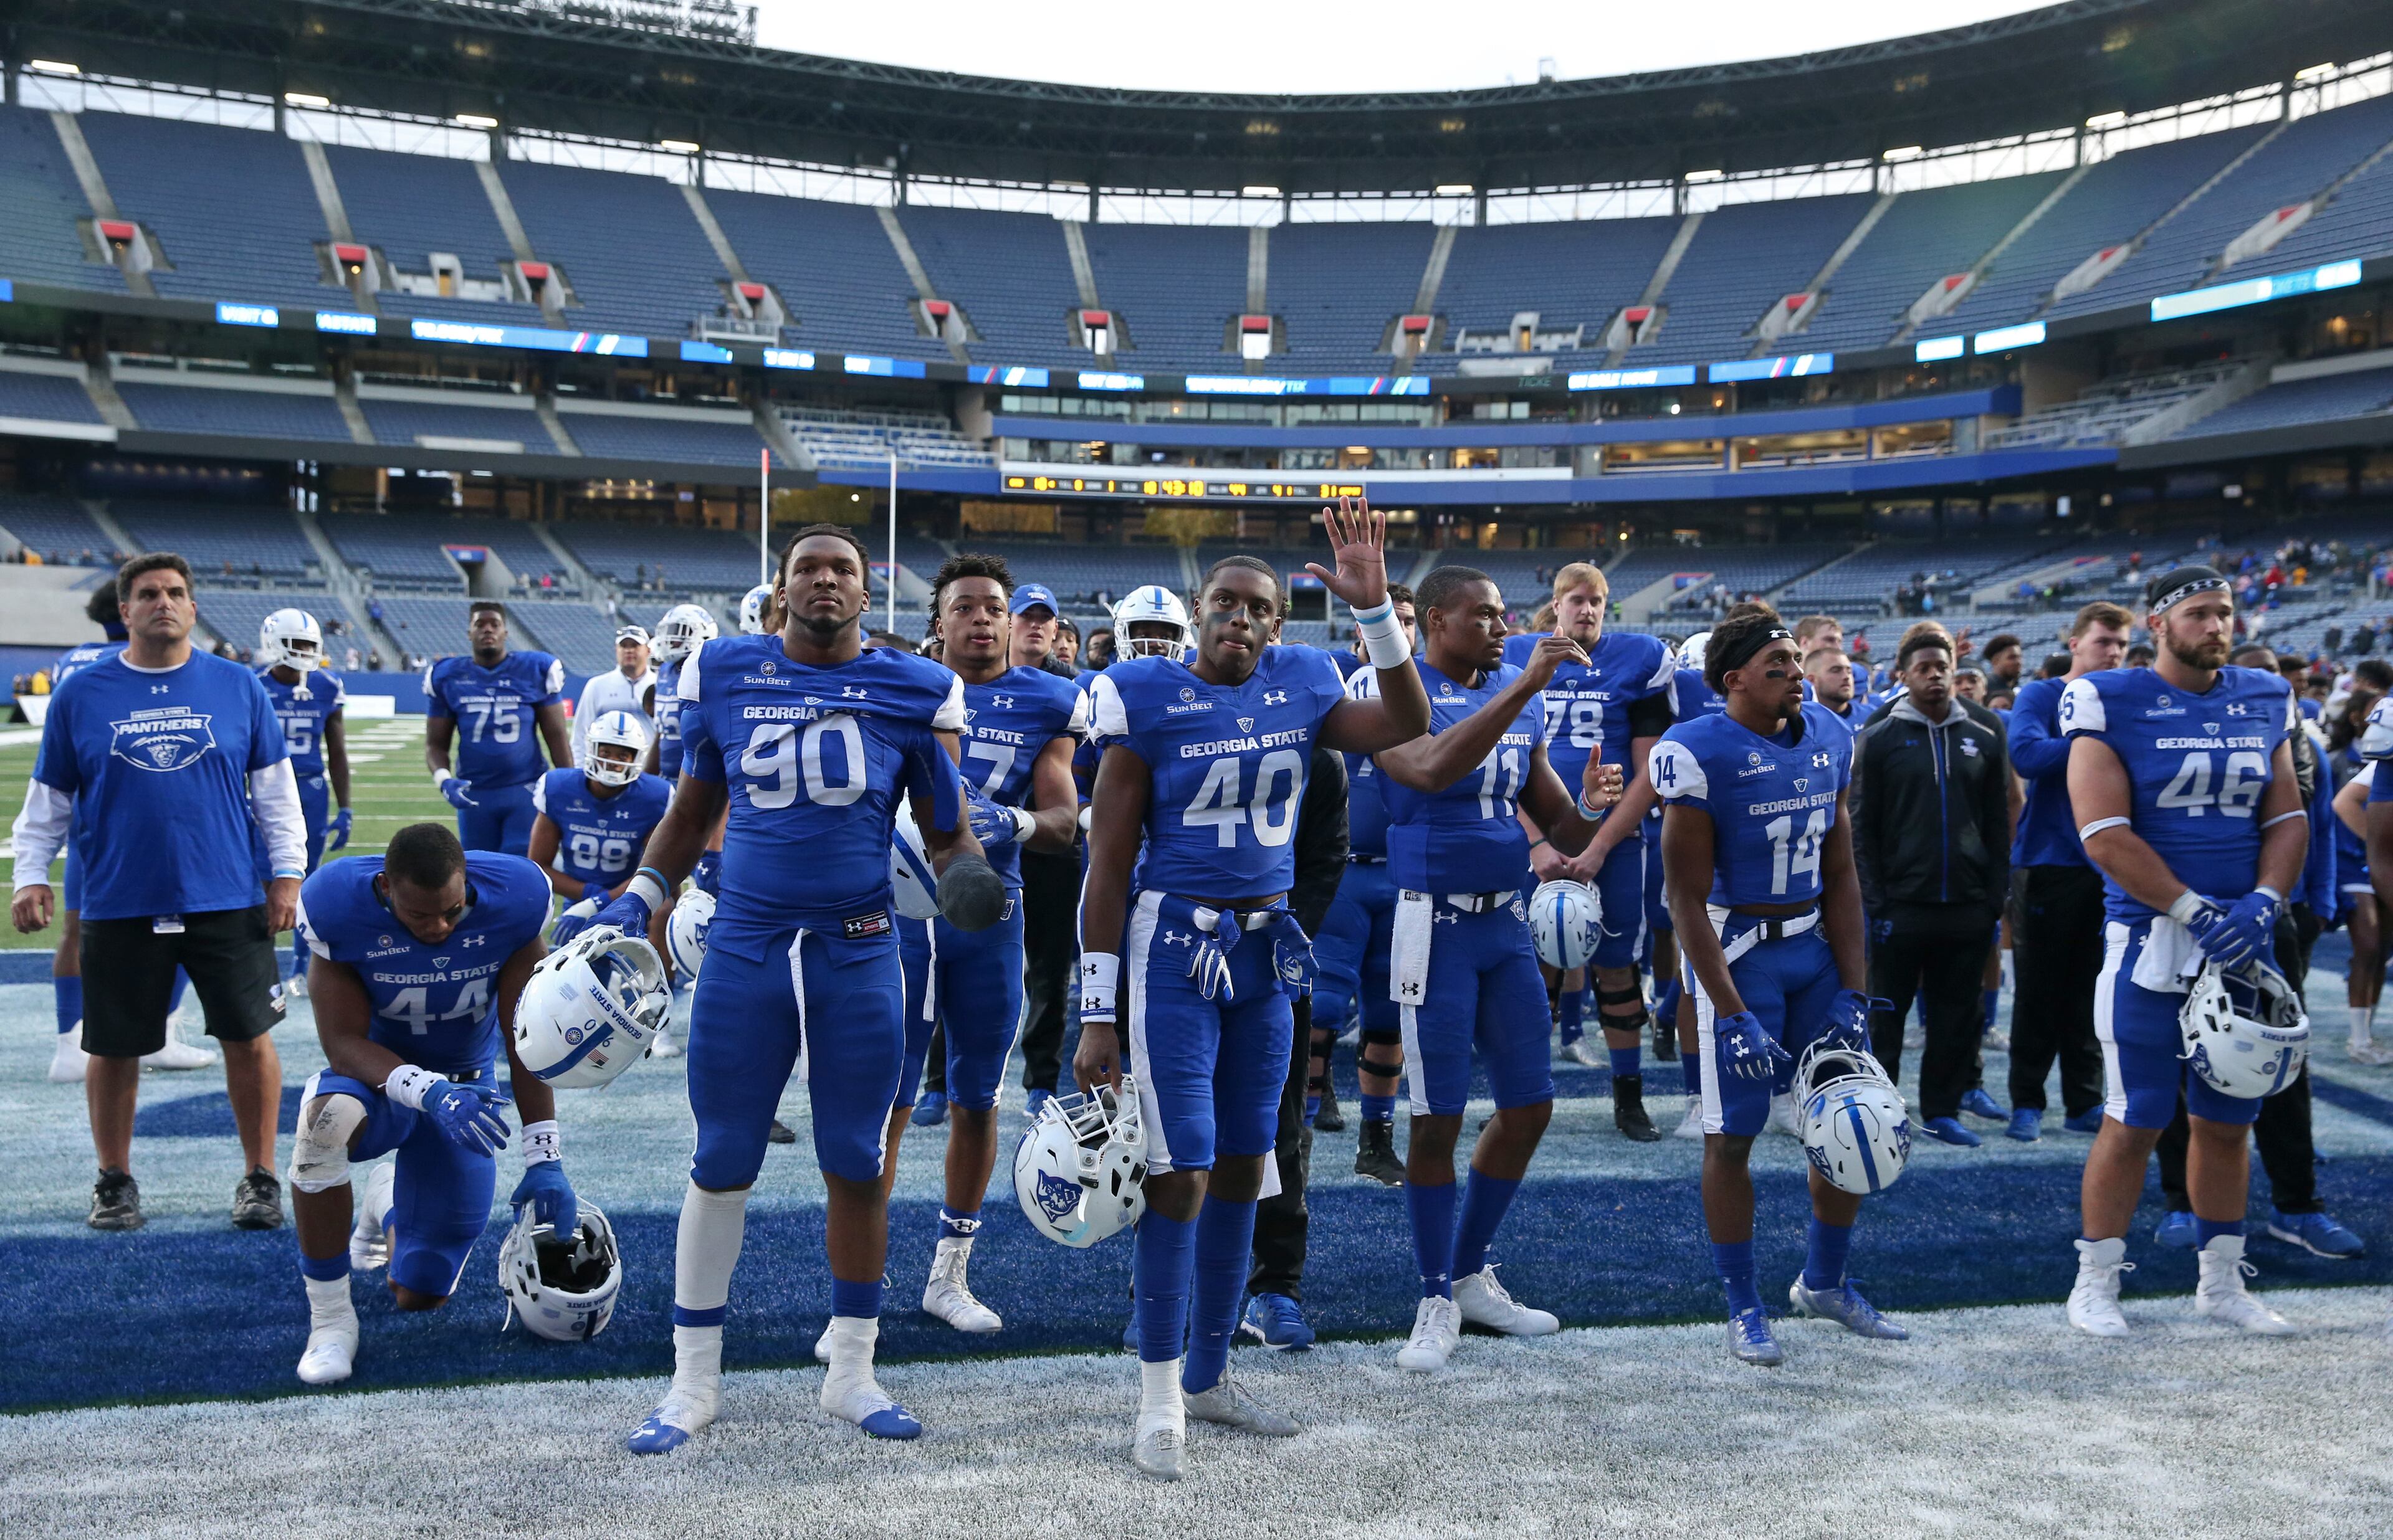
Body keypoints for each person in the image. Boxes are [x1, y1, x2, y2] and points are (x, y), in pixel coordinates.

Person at [608, 524, 998, 1455]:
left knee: (857, 1158)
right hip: (747, 942)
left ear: (868, 594)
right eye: (807, 570)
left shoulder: (913, 685)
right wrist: (641, 898)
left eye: (844, 570)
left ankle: (853, 1374)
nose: (825, 581)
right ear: (781, 592)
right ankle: (692, 1382)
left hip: (860, 946)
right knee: (723, 1154)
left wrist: (971, 874)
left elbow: (946, 830)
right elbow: (691, 810)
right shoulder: (727, 672)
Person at [1077, 500, 1427, 1481]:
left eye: (1259, 607)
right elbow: (1108, 868)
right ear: (1198, 609)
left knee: (1245, 1165)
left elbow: (1405, 720)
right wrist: (1097, 1014)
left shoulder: (1306, 680)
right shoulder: (1141, 693)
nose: (1240, 618)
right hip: (1171, 949)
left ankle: (1208, 1375)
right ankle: (1157, 1401)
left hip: (1266, 956)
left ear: (1279, 622)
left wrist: (1374, 615)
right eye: (1224, 602)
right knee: (1178, 1171)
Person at [1365, 564, 1625, 1374]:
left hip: (1505, 925)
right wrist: (1518, 692)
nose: (1501, 626)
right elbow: (1433, 770)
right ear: (1434, 622)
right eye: (1481, 616)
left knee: (1531, 1106)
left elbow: (1561, 825)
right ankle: (1434, 1293)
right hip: (1429, 929)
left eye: (1503, 614)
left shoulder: (1519, 691)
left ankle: (1470, 1272)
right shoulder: (1396, 696)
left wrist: (1589, 800)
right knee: (1437, 1117)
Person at [11, 553, 308, 1232]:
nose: (163, 603)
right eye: (148, 594)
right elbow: (48, 801)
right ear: (126, 611)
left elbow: (275, 794)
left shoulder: (237, 687)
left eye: (176, 592)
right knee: (112, 1047)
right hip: (120, 897)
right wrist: (30, 875)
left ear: (194, 608)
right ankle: (114, 1180)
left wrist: (287, 875)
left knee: (250, 1039)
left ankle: (260, 1176)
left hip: (226, 894)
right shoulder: (81, 695)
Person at [2061, 566, 2305, 1338]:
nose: (2217, 627)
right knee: (2136, 1116)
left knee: (2230, 1118)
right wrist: (2195, 909)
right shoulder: (2110, 698)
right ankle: (2095, 1281)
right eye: (2200, 614)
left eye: (2226, 614)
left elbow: (2288, 815)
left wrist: (2265, 901)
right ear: (2158, 623)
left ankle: (2221, 1282)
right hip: (2150, 939)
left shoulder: (2266, 696)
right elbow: (2102, 833)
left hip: (2243, 938)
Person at [1654, 604, 1898, 1366]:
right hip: (1740, 951)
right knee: (1734, 1136)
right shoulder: (1695, 750)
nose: (1797, 675)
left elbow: (1841, 871)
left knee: (1849, 1115)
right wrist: (1727, 1012)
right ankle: (1743, 1302)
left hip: (1813, 948)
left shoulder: (1829, 735)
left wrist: (1855, 990)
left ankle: (1823, 1282)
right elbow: (1685, 898)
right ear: (1734, 682)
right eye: (1778, 667)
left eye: (1797, 661)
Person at [876, 553, 1085, 1341]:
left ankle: (948, 1275)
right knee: (888, 1098)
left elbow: (1066, 821)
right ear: (941, 622)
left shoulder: (1050, 699)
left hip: (991, 911)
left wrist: (1017, 823)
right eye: (966, 607)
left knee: (977, 1096)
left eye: (994, 606)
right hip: (899, 910)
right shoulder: (901, 682)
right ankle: (865, 1273)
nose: (984, 619)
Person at [285, 824, 556, 1384]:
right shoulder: (337, 905)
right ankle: (331, 1322)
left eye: (452, 912)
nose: (438, 928)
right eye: (420, 916)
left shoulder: (515, 904)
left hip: (466, 1090)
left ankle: (386, 1202)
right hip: (376, 1084)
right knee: (323, 1127)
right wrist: (427, 1090)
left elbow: (525, 1037)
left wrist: (544, 1154)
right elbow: (342, 1044)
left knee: (420, 1293)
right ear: (385, 888)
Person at [2143, 642, 2362, 1262]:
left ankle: (2298, 1205)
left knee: (2284, 1061)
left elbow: (2312, 824)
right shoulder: (2180, 740)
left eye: (2278, 683)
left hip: (2275, 919)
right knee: (2186, 1055)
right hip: (2191, 922)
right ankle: (2182, 1200)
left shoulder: (2303, 745)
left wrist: (2312, 900)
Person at [1506, 563, 1677, 1138]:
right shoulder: (1518, 655)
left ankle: (1629, 1098)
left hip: (1618, 842)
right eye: (1576, 600)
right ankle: (1520, 1102)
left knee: (1617, 969)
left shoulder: (1639, 658)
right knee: (1532, 974)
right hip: (1540, 838)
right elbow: (1504, 758)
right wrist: (1534, 843)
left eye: (1597, 601)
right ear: (1555, 604)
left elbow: (1650, 768)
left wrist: (1601, 846)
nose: (1587, 610)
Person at [37, 585, 214, 1081]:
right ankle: (160, 1030)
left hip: (85, 809)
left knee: (79, 928)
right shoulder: (144, 659)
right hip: (144, 812)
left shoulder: (71, 661)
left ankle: (70, 1043)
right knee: (182, 925)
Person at [1851, 629, 2012, 1147]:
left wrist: (1994, 896)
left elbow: (1997, 819)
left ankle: (1942, 1111)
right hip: (1901, 904)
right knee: (1886, 1017)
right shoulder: (1877, 734)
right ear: (1902, 675)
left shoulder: (1986, 730)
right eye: (1923, 667)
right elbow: (1862, 824)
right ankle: (1880, 1111)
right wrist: (1875, 900)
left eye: (1942, 665)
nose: (1935, 675)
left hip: (1967, 904)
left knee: (1956, 1016)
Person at [2004, 602, 2132, 1139]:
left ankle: (2083, 1100)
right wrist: (2097, 746)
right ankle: (2027, 1101)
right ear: (2074, 642)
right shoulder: (2043, 695)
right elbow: (2026, 756)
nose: (2114, 653)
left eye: (2122, 644)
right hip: (2050, 861)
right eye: (2105, 641)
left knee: (2092, 990)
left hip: (2113, 865)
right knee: (2039, 987)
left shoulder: (2129, 698)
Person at [1311, 584, 1418, 1181]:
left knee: (1388, 1014)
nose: (1396, 630)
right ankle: (1297, 1127)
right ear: (1358, 631)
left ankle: (1376, 1139)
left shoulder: (1424, 693)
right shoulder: (1332, 686)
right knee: (1322, 1006)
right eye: (1386, 620)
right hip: (1342, 873)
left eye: (1406, 620)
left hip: (1401, 876)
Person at [423, 602, 572, 856]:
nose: (488, 630)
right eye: (480, 624)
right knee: (478, 871)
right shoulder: (448, 675)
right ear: (469, 633)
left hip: (524, 789)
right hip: (474, 792)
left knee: (520, 865)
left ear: (505, 633)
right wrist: (444, 780)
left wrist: (569, 785)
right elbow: (435, 744)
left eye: (495, 624)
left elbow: (556, 736)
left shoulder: (534, 670)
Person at [256, 609, 353, 999]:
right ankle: (262, 969)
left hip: (310, 792)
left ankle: (300, 964)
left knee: (306, 881)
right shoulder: (252, 685)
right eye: (297, 644)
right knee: (264, 883)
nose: (305, 652)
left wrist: (346, 807)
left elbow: (338, 751)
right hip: (261, 790)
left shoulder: (327, 685)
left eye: (311, 645)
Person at [527, 709, 673, 959]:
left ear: (636, 757)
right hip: (578, 893)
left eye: (622, 754)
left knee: (665, 908)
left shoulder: (654, 797)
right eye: (606, 753)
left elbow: (657, 870)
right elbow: (539, 864)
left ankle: (664, 986)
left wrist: (599, 901)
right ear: (592, 749)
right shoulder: (560, 788)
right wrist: (588, 896)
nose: (613, 762)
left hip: (633, 895)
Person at [2326, 661, 2393, 1062]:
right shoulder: (2345, 757)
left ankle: (2365, 1033)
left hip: (2375, 861)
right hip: (2356, 864)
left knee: (2380, 950)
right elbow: (2343, 802)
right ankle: (2358, 1038)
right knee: (2368, 948)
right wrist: (2374, 843)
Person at [570, 625, 656, 764]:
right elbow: (580, 734)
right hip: (607, 767)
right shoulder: (597, 685)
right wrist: (579, 769)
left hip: (649, 768)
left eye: (635, 645)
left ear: (648, 650)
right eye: (624, 646)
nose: (629, 651)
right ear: (617, 650)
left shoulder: (659, 685)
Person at [1802, 647, 1858, 727]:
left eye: (1849, 671)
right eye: (1836, 670)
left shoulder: (1871, 716)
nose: (1847, 677)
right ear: (1812, 680)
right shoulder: (1802, 725)